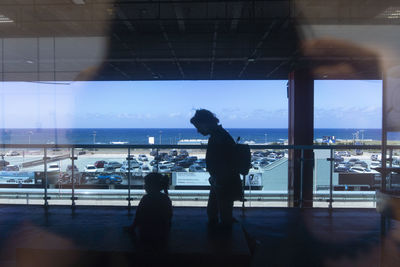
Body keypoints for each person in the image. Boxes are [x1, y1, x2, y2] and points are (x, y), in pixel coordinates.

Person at [190, 109, 242, 228]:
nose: (198, 131)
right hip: (221, 179)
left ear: (205, 123)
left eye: (198, 127)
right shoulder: (221, 134)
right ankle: (224, 238)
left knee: (222, 210)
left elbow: (222, 160)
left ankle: (224, 240)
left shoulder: (218, 137)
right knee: (220, 209)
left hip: (222, 180)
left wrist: (217, 178)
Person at [125, 173, 172, 246]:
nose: (144, 186)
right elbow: (169, 216)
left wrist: (132, 228)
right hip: (161, 234)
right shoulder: (165, 198)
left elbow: (139, 216)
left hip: (146, 233)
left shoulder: (146, 199)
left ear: (150, 186)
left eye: (146, 184)